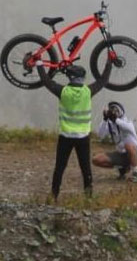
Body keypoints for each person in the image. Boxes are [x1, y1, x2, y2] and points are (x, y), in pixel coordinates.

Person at [43, 62, 111, 202]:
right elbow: (103, 80)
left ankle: (53, 196)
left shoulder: (63, 91)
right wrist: (109, 61)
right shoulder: (88, 91)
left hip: (65, 137)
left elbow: (46, 81)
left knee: (60, 168)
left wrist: (38, 64)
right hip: (83, 137)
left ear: (70, 78)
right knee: (85, 168)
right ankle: (89, 198)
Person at [92, 101, 137, 183]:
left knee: (128, 146)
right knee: (96, 159)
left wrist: (116, 119)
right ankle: (122, 167)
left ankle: (136, 174)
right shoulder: (111, 125)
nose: (114, 112)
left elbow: (128, 128)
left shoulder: (126, 121)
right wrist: (105, 119)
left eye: (116, 110)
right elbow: (100, 135)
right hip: (122, 154)